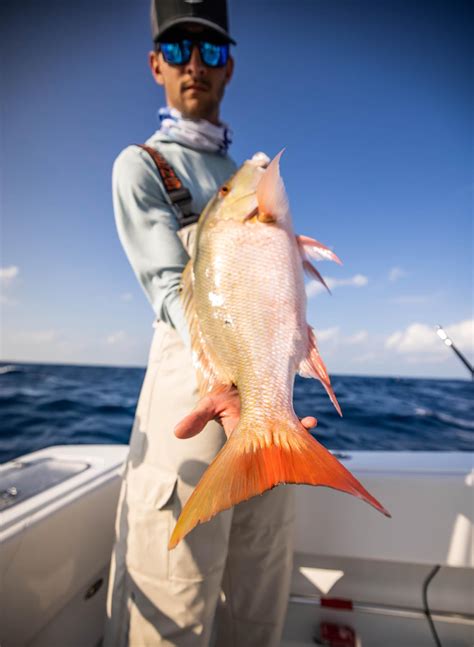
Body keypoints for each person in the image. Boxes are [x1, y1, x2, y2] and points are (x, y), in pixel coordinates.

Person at [104, 1, 315, 645]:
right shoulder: (141, 166)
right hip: (195, 405)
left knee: (261, 595)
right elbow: (169, 287)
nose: (195, 63)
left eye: (212, 52)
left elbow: (280, 287)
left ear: (229, 70)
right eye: (178, 50)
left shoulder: (249, 178)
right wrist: (225, 371)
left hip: (267, 406)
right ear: (155, 66)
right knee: (178, 601)